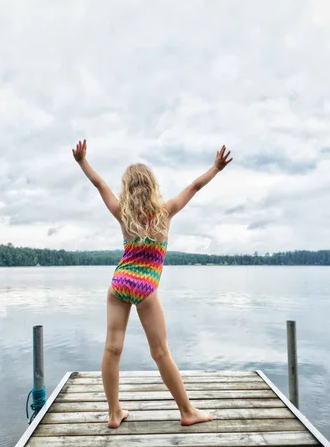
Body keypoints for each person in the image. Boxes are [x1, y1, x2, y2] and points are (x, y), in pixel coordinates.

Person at [72, 139, 233, 428]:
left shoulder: (123, 213)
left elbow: (99, 185)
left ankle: (113, 414)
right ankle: (187, 411)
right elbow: (194, 187)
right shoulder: (166, 211)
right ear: (152, 185)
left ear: (128, 187)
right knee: (160, 352)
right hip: (145, 288)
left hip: (119, 283)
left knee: (112, 348)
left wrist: (83, 161)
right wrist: (216, 168)